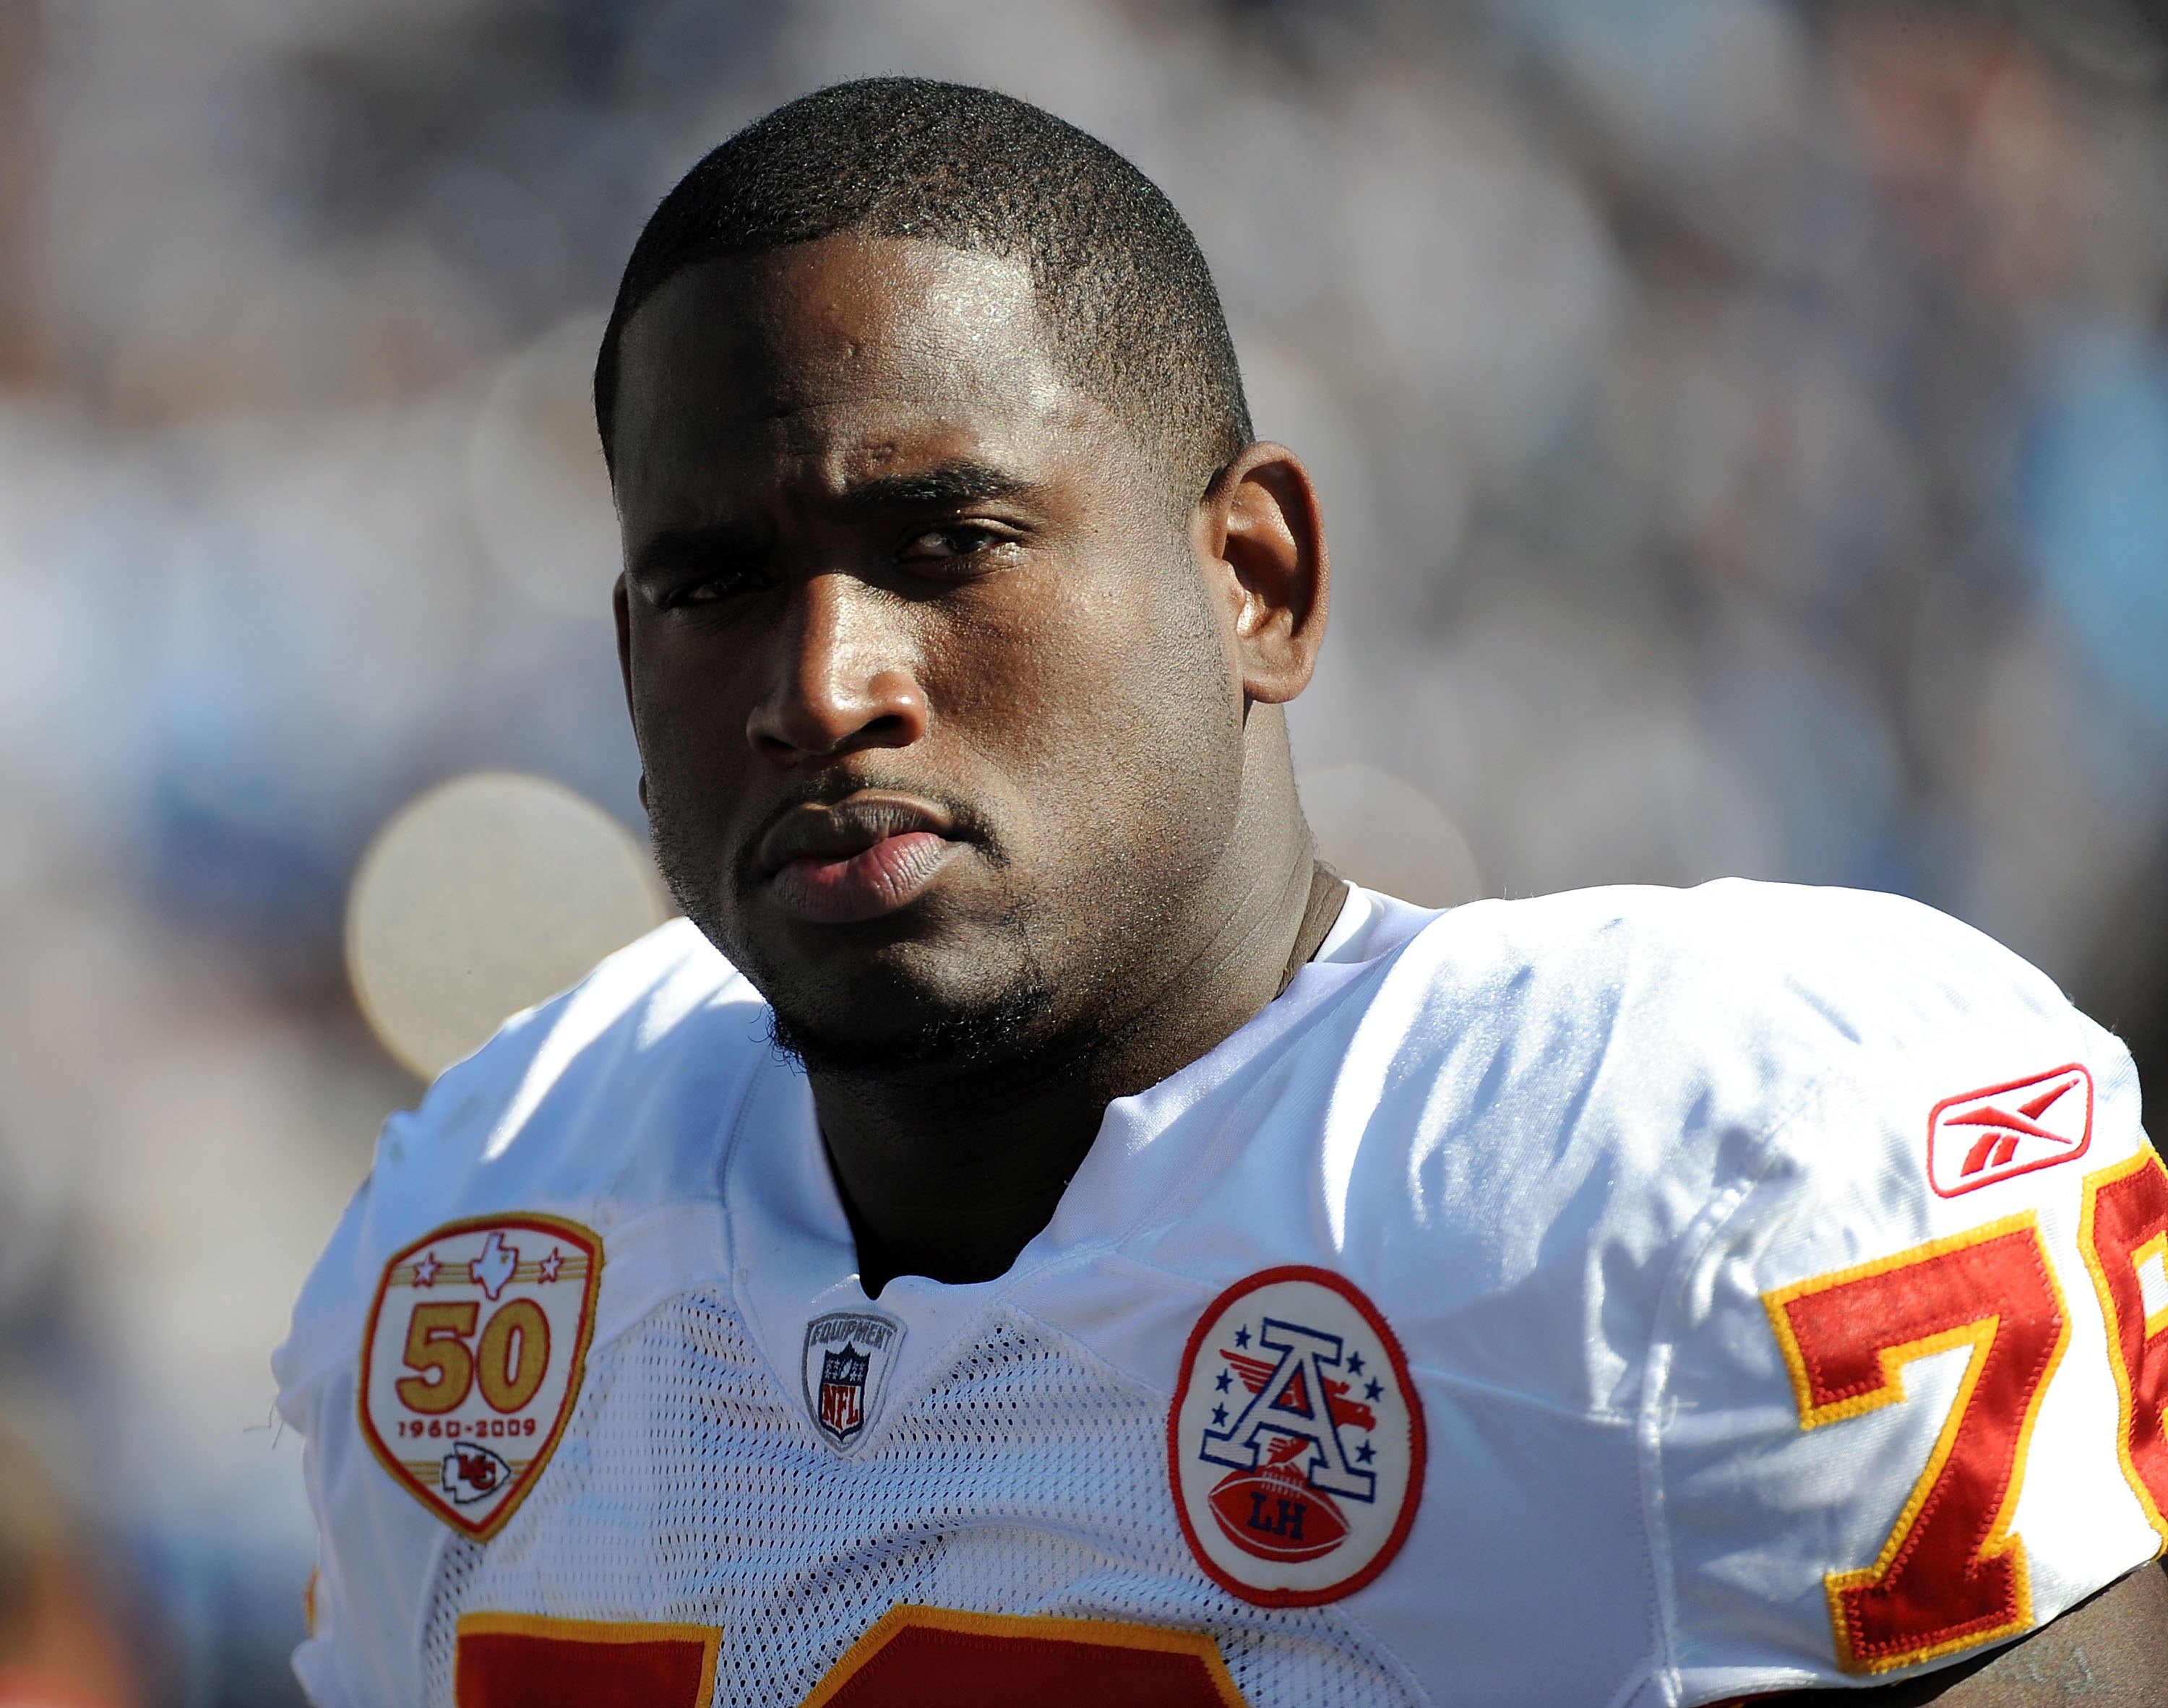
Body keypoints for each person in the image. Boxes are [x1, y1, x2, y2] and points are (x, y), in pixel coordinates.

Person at [274, 78, 2168, 1706]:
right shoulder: (503, 1225)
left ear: (1253, 580)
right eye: (713, 585)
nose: (823, 682)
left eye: (946, 541)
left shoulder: (1684, 1166)